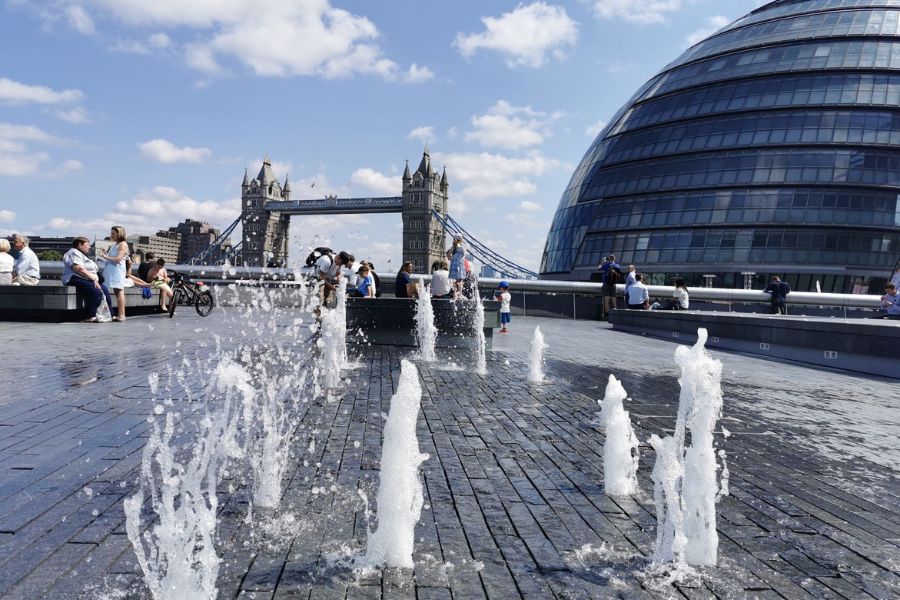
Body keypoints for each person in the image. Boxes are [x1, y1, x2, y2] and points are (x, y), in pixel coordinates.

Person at [62, 237, 113, 323]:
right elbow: (78, 268)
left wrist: (94, 279)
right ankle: (91, 315)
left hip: (86, 278)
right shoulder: (73, 252)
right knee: (95, 290)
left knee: (105, 290)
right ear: (79, 245)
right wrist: (93, 278)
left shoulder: (83, 255)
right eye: (87, 245)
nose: (89, 247)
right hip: (74, 277)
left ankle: (111, 314)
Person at [100, 225, 129, 322]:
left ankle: (122, 315)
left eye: (113, 233)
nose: (111, 235)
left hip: (117, 271)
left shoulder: (122, 244)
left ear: (119, 234)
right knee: (117, 291)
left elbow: (118, 259)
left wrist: (105, 256)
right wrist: (106, 255)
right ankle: (120, 314)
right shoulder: (115, 244)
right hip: (112, 271)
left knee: (119, 291)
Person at [599, 254, 622, 319]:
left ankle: (607, 315)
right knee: (613, 299)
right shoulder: (617, 265)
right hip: (613, 284)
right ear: (614, 259)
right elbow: (619, 273)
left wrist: (603, 262)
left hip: (606, 284)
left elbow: (599, 268)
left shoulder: (606, 265)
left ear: (609, 258)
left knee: (606, 300)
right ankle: (615, 314)